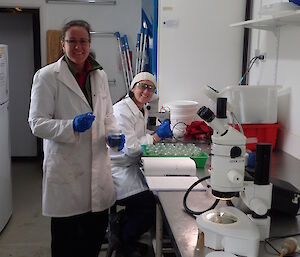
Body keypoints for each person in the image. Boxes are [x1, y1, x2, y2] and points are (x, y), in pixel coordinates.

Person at [28, 20, 125, 257]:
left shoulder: (99, 74)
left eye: (83, 41)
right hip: (66, 171)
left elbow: (108, 113)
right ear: (63, 44)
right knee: (65, 243)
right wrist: (70, 125)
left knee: (92, 240)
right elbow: (37, 123)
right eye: (72, 41)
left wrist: (114, 135)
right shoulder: (47, 76)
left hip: (97, 168)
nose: (78, 46)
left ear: (89, 43)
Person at [110, 72, 173, 257]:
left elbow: (137, 133)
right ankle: (123, 240)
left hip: (131, 166)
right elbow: (131, 149)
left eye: (150, 88)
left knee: (155, 195)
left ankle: (125, 224)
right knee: (148, 205)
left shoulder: (141, 109)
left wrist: (153, 133)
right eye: (142, 86)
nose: (146, 91)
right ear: (132, 87)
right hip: (118, 170)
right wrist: (155, 136)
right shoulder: (121, 111)